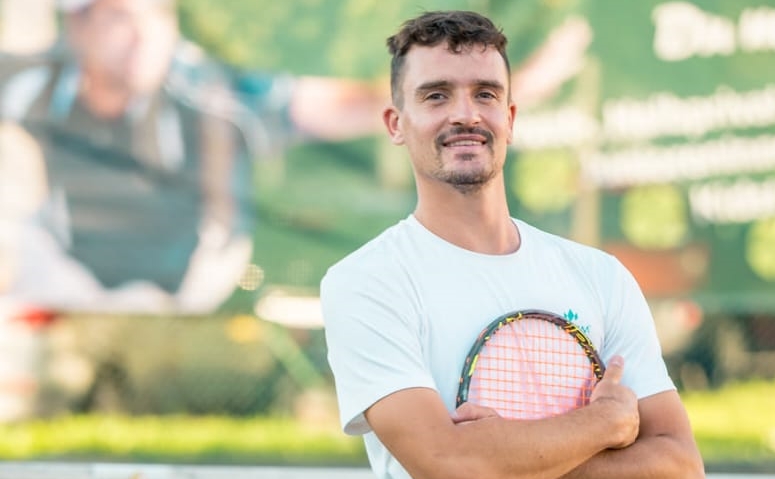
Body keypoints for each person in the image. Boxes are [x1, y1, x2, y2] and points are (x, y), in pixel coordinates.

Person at [320, 10, 705, 479]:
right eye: (436, 95)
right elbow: (448, 468)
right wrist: (604, 423)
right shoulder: (367, 280)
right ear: (395, 121)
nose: (463, 114)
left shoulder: (598, 277)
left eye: (483, 93)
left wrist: (504, 448)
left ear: (511, 114)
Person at [0, 0, 592, 314]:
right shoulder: (29, 84)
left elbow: (334, 105)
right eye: (117, 16)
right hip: (68, 266)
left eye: (154, 15)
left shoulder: (213, 92)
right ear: (77, 28)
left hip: (190, 280)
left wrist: (517, 89)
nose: (141, 34)